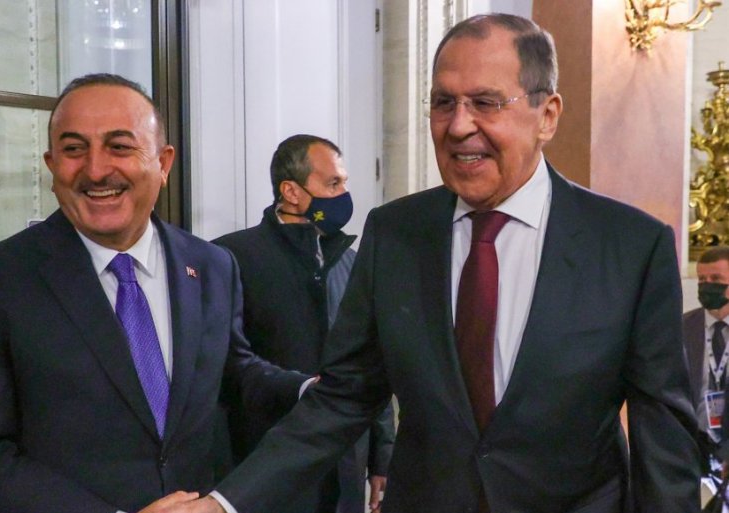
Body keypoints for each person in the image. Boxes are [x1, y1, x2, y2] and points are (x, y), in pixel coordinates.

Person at [175, 13, 701, 513]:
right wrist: (224, 503)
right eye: (443, 103)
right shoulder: (395, 233)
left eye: (486, 103)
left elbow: (664, 439)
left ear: (547, 115)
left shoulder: (630, 246)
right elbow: (343, 398)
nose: (458, 126)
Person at [0, 74, 310, 513]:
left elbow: (232, 370)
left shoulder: (212, 265)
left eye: (120, 146)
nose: (95, 170)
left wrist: (307, 389)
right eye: (74, 149)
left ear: (163, 163)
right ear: (52, 166)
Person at [213, 134, 395, 513]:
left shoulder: (353, 263)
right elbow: (228, 365)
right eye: (333, 184)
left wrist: (383, 455)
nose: (344, 194)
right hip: (267, 466)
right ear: (291, 192)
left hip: (344, 470)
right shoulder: (231, 257)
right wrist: (300, 388)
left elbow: (370, 363)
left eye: (344, 183)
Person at [686, 247, 729, 482]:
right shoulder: (683, 327)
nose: (707, 285)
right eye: (702, 279)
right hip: (695, 442)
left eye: (716, 279)